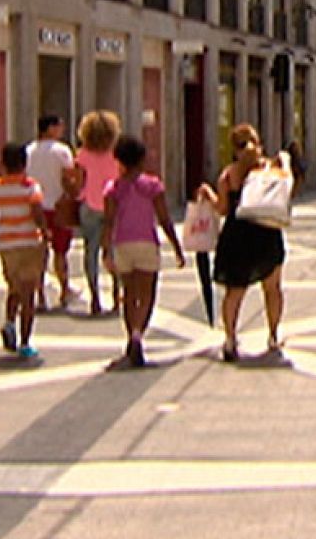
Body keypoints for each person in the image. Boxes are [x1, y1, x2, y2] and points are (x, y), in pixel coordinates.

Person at [199, 124, 289, 366]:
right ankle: (273, 335)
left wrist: (208, 195)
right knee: (272, 288)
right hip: (267, 232)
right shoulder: (270, 168)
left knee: (234, 292)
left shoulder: (229, 175)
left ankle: (230, 339)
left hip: (238, 235)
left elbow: (223, 209)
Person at [100, 135, 185, 370]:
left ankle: (131, 336)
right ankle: (138, 334)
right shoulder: (152, 186)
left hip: (122, 244)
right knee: (147, 294)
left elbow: (108, 221)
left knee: (129, 294)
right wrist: (176, 247)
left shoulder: (112, 188)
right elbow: (164, 218)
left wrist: (105, 250)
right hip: (147, 243)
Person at [0, 142, 51, 361]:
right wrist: (45, 232)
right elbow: (37, 212)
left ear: (2, 163)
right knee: (29, 294)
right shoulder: (30, 187)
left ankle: (10, 322)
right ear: (25, 163)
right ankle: (25, 342)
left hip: (7, 245)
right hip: (29, 243)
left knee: (13, 288)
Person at [25, 114, 77, 310]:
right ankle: (64, 291)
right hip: (58, 206)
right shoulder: (62, 151)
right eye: (59, 125)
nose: (62, 129)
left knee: (40, 254)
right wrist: (74, 194)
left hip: (36, 207)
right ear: (50, 128)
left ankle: (40, 296)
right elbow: (68, 178)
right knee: (61, 252)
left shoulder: (28, 151)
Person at [73, 110, 122, 315]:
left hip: (90, 204)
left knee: (90, 252)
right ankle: (117, 293)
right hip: (114, 205)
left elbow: (78, 182)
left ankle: (94, 296)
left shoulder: (82, 155)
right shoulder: (117, 154)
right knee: (113, 250)